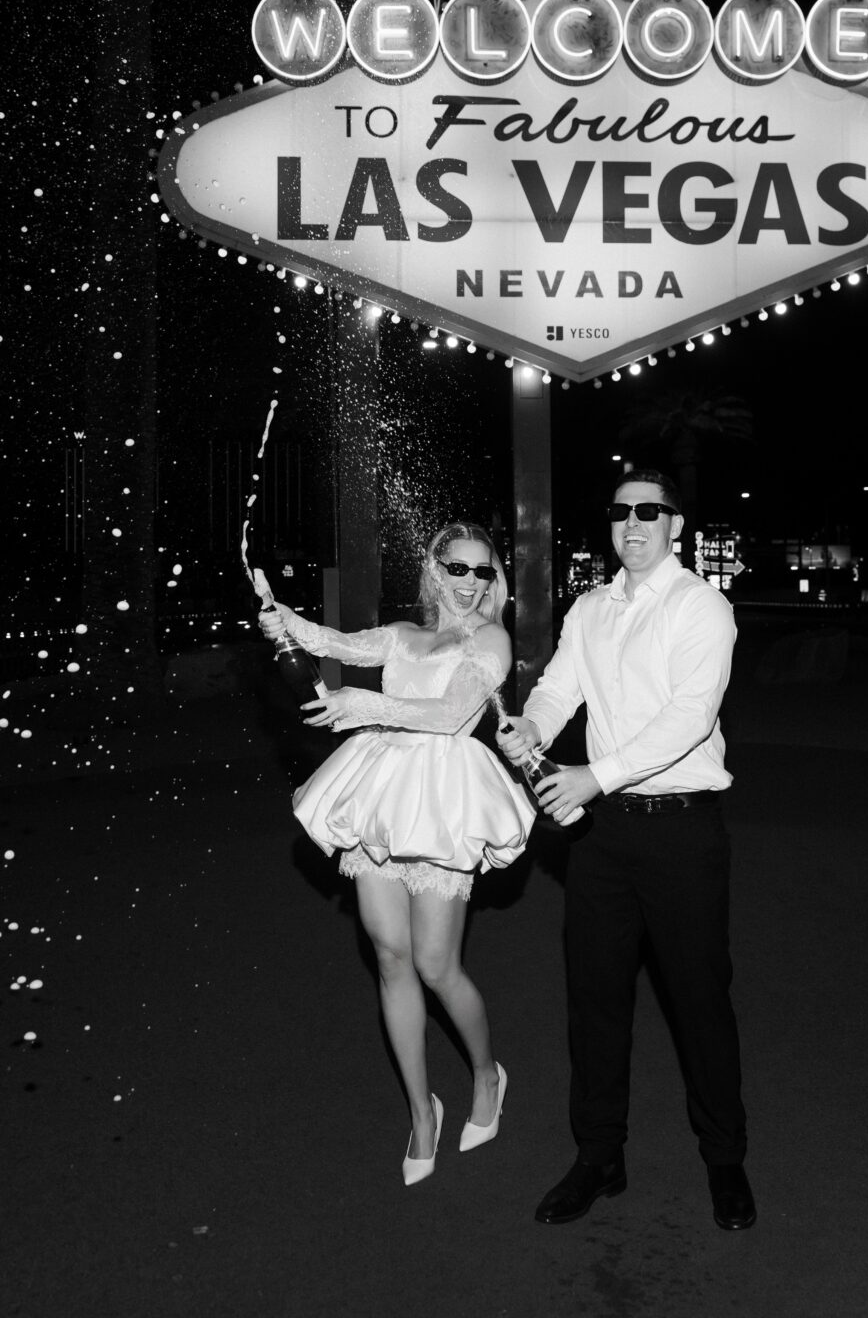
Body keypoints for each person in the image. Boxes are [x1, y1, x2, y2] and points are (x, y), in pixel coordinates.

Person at [497, 470, 755, 1232]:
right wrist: (534, 727)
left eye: (649, 511)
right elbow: (558, 688)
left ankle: (725, 1159)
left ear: (675, 525)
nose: (632, 523)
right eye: (620, 512)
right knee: (595, 999)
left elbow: (688, 716)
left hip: (681, 832)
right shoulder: (590, 609)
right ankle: (598, 1156)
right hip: (602, 837)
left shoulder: (700, 607)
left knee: (698, 999)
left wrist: (591, 775)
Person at [260, 521, 535, 1186]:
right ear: (434, 569)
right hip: (382, 794)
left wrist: (360, 703)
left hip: (441, 802)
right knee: (389, 956)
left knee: (436, 964)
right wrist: (281, 619)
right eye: (458, 567)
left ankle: (486, 1076)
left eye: (483, 571)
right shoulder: (402, 634)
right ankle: (420, 1112)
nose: (471, 582)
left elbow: (448, 715)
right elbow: (335, 642)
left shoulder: (490, 640)